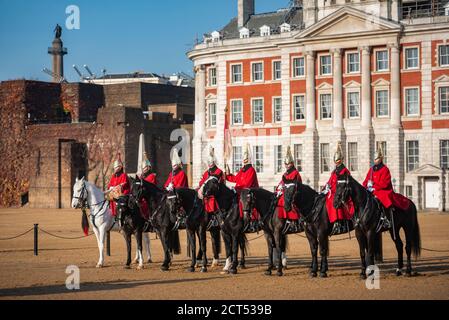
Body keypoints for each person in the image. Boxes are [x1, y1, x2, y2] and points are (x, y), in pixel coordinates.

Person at [323, 142, 355, 235]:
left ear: (341, 160)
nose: (337, 162)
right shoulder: (334, 171)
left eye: (338, 160)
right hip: (332, 191)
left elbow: (343, 185)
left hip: (341, 192)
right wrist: (325, 188)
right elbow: (330, 181)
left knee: (333, 199)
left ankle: (338, 222)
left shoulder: (345, 171)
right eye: (335, 160)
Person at [225, 144, 259, 231]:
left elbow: (247, 183)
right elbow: (236, 179)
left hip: (248, 191)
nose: (244, 161)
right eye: (244, 159)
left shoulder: (251, 170)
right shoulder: (242, 169)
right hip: (240, 190)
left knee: (244, 203)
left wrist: (236, 189)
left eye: (246, 159)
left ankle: (251, 221)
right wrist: (228, 175)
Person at [362, 146, 393, 230]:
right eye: (374, 159)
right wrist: (366, 186)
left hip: (383, 190)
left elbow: (385, 184)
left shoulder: (385, 169)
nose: (375, 161)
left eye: (377, 159)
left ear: (381, 158)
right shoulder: (371, 169)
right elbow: (365, 181)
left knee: (382, 198)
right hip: (371, 190)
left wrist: (374, 185)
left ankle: (386, 219)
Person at [276, 146, 303, 233]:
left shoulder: (295, 173)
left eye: (289, 164)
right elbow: (282, 182)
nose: (287, 166)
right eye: (286, 164)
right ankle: (282, 219)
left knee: (287, 200)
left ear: (292, 163)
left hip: (294, 193)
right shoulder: (285, 174)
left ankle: (293, 221)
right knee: (278, 200)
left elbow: (297, 184)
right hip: (286, 193)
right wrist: (279, 187)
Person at [198, 147, 224, 214]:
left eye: (211, 162)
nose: (209, 163)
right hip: (205, 191)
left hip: (215, 193)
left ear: (214, 162)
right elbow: (201, 182)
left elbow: (217, 183)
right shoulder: (206, 172)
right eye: (208, 162)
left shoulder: (219, 171)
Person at [139, 155, 156, 220]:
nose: (144, 169)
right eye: (143, 168)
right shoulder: (142, 177)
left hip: (149, 196)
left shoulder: (152, 176)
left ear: (148, 167)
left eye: (145, 168)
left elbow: (151, 186)